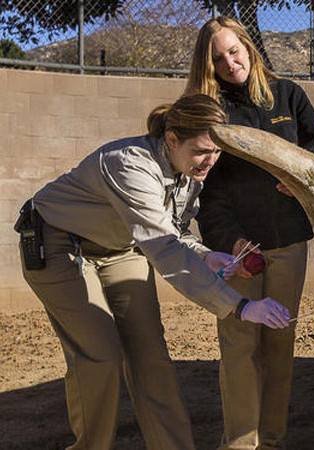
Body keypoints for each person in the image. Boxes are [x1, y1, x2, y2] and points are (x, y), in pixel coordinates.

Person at [16, 94, 291, 450]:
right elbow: (164, 248)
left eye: (217, 151)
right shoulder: (128, 164)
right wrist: (240, 306)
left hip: (120, 250)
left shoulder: (189, 172)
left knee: (152, 358)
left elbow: (174, 232)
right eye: (202, 151)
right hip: (58, 244)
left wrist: (207, 256)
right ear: (172, 139)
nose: (210, 161)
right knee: (101, 354)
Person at [185, 16, 314, 450]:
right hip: (239, 249)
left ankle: (274, 439)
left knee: (279, 346)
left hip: (289, 244)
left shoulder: (290, 95)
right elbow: (209, 190)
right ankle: (241, 443)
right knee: (239, 346)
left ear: (249, 46)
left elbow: (311, 153)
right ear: (208, 65)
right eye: (218, 58)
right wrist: (230, 242)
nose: (229, 63)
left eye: (234, 50)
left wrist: (301, 179)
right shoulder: (210, 111)